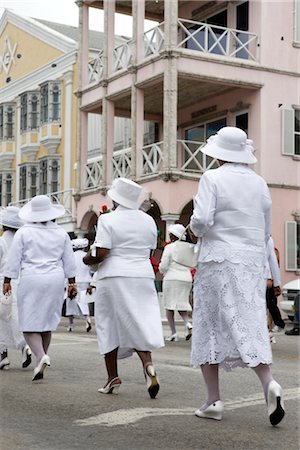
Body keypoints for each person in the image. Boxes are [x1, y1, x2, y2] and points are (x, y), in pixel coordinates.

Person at [190, 126, 285, 426]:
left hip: (217, 259)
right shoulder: (259, 183)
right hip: (250, 262)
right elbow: (266, 231)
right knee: (249, 322)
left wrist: (195, 229)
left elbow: (203, 219)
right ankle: (268, 382)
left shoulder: (212, 177)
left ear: (219, 154)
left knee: (209, 327)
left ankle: (213, 399)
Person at [83, 178, 164, 399]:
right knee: (137, 320)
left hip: (114, 275)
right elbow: (149, 251)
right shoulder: (148, 221)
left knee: (108, 323)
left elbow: (101, 253)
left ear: (115, 198)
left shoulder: (108, 220)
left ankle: (112, 378)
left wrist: (86, 259)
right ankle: (148, 364)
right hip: (142, 274)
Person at [3, 195, 77, 381]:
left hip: (31, 278)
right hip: (55, 279)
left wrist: (6, 281)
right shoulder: (61, 233)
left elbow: (13, 259)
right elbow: (69, 260)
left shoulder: (24, 232)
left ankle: (40, 356)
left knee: (28, 323)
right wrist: (72, 282)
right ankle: (39, 361)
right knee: (46, 323)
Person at [0, 206, 31, 370]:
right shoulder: (22, 242)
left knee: (3, 321)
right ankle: (25, 345)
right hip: (22, 283)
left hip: (3, 285)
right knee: (18, 317)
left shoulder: (1, 242)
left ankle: (3, 355)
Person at [159, 223, 193, 341]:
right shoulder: (189, 247)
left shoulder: (169, 247)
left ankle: (173, 333)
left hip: (172, 278)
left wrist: (162, 270)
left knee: (169, 306)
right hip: (186, 278)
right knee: (181, 303)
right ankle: (188, 324)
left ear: (173, 236)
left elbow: (163, 266)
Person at [66, 238, 93, 333]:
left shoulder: (71, 256)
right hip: (85, 281)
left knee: (71, 301)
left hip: (73, 282)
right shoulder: (87, 256)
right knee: (83, 301)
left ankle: (71, 324)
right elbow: (92, 270)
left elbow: (68, 269)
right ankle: (87, 319)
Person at [265, 236, 284, 343]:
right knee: (268, 306)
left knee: (270, 305)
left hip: (268, 280)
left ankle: (275, 325)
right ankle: (269, 330)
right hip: (264, 279)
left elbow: (274, 264)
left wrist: (274, 281)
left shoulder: (272, 246)